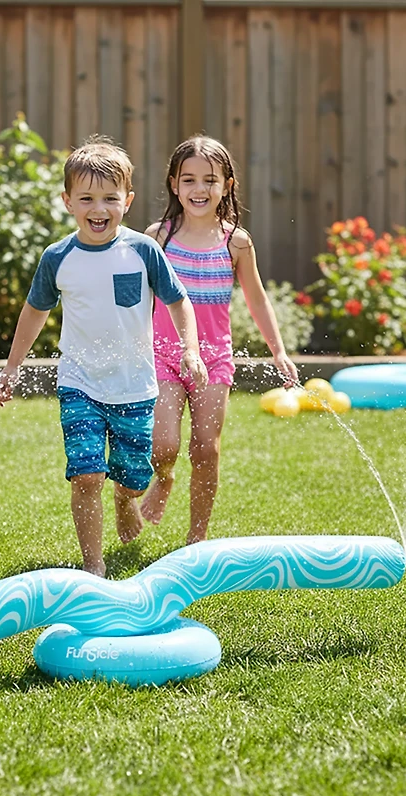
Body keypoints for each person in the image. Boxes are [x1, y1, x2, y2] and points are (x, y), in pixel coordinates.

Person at [0, 136, 208, 577]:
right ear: (67, 200)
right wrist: (11, 368)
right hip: (80, 383)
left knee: (132, 476)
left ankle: (125, 499)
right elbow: (34, 312)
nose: (99, 208)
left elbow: (178, 301)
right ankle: (94, 565)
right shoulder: (59, 258)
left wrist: (190, 349)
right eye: (87, 198)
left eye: (110, 198)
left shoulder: (142, 251)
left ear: (126, 201)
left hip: (134, 386)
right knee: (86, 473)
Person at [140, 136, 299, 544]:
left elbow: (257, 298)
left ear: (227, 185)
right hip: (164, 355)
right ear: (174, 184)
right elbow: (137, 298)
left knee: (206, 449)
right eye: (189, 179)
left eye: (209, 180)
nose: (199, 189)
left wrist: (278, 350)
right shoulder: (158, 238)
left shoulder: (236, 242)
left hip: (213, 360)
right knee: (164, 444)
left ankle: (197, 539)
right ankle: (164, 476)